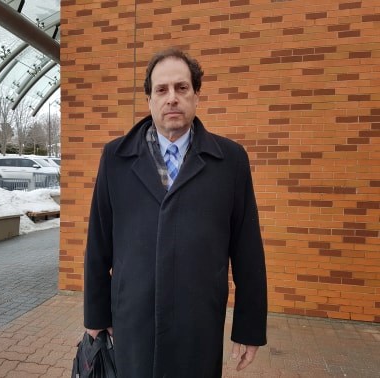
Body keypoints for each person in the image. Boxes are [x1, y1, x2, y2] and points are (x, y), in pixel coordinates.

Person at [83, 48, 267, 378]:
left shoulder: (230, 161)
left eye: (181, 88)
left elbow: (247, 250)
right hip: (132, 324)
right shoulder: (115, 158)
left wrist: (249, 327)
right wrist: (96, 317)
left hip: (198, 326)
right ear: (149, 99)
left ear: (196, 95)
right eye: (161, 90)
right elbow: (98, 243)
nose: (172, 98)